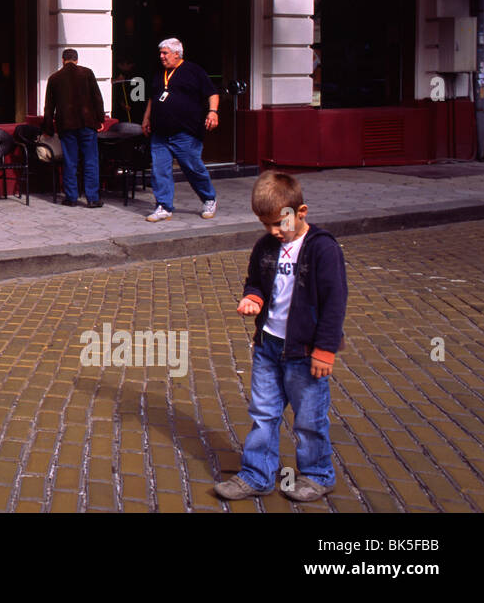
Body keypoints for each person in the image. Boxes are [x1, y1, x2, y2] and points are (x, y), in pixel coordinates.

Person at [215, 171, 347, 503]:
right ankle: (257, 474)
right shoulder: (266, 246)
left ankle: (318, 474)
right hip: (268, 345)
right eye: (266, 225)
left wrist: (325, 350)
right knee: (263, 412)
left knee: (308, 417)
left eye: (279, 223)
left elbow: (335, 302)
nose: (274, 231)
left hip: (306, 350)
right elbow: (255, 281)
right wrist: (253, 298)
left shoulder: (323, 248)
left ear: (301, 212)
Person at [141, 37, 218, 222]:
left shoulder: (193, 71)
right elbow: (154, 97)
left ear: (177, 54)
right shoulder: (160, 74)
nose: (161, 57)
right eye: (160, 53)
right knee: (160, 170)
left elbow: (212, 93)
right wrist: (146, 118)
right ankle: (163, 206)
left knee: (193, 168)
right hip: (160, 133)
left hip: (185, 133)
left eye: (165, 53)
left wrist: (213, 112)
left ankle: (209, 198)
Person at [42, 48, 106, 208]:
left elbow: (49, 107)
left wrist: (48, 128)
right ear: (76, 60)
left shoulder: (54, 78)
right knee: (91, 160)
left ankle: (71, 198)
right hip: (87, 123)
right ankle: (92, 198)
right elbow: (98, 98)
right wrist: (100, 120)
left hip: (66, 125)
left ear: (63, 60)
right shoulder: (87, 73)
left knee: (70, 161)